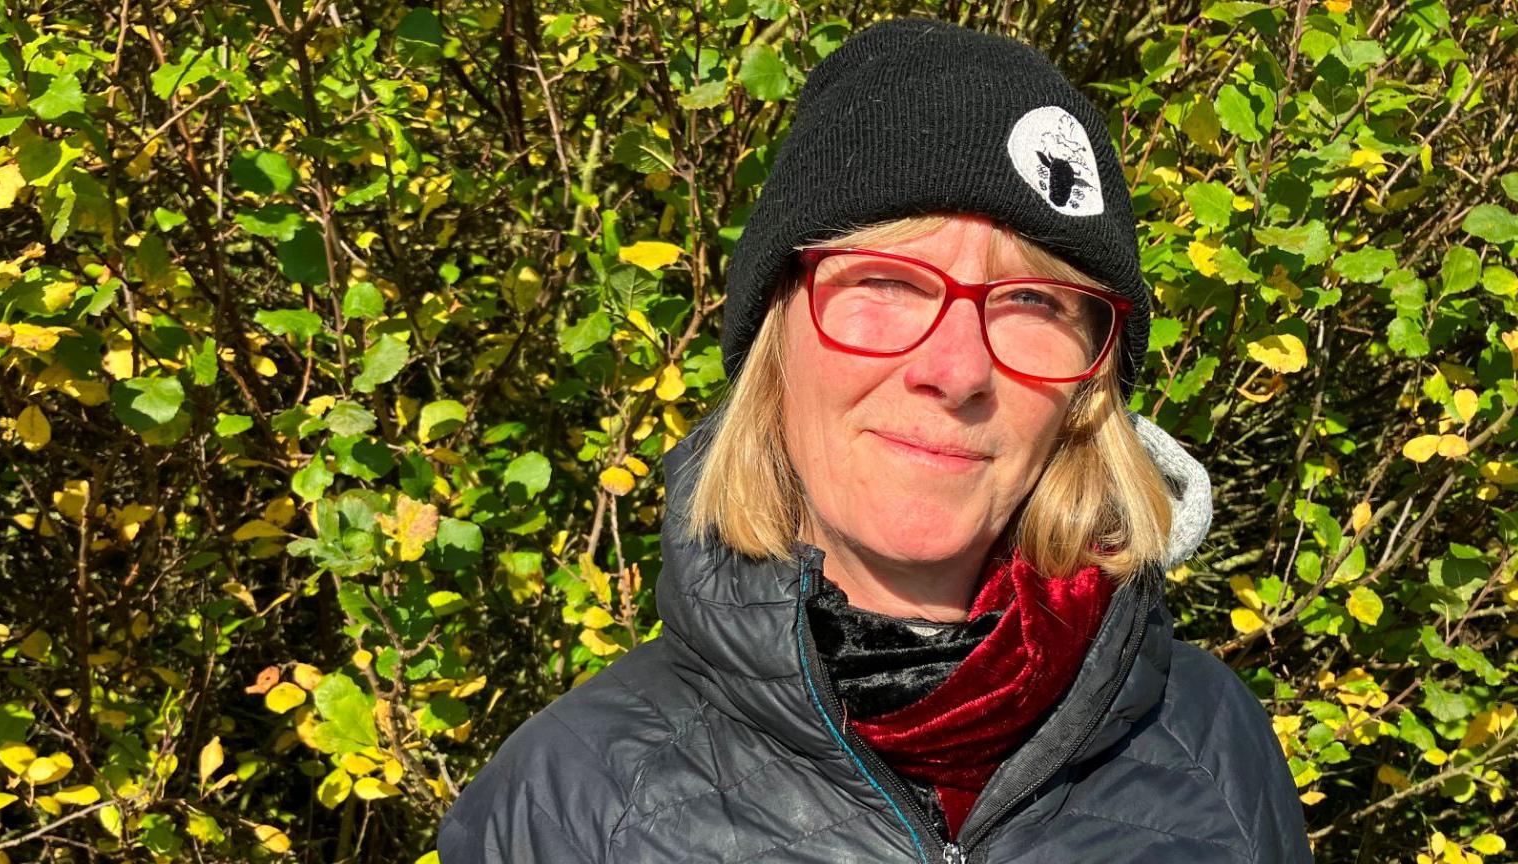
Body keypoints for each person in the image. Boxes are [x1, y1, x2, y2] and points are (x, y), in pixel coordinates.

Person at [439, 16, 1312, 863]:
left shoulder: (1213, 747)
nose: (958, 368)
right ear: (776, 335)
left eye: (1035, 302)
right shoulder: (571, 800)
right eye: (888, 281)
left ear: (1091, 386)